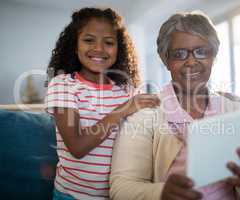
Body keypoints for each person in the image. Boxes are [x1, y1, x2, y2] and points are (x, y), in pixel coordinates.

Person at [110, 11, 240, 200]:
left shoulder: (235, 109)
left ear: (213, 56)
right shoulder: (144, 114)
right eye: (179, 54)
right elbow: (121, 188)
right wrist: (160, 193)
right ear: (166, 60)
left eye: (201, 51)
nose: (191, 61)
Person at [45, 7, 160, 200]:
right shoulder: (63, 84)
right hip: (72, 196)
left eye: (108, 42)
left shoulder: (127, 91)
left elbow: (156, 119)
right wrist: (121, 111)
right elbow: (78, 146)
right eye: (89, 40)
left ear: (118, 49)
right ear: (75, 45)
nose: (98, 48)